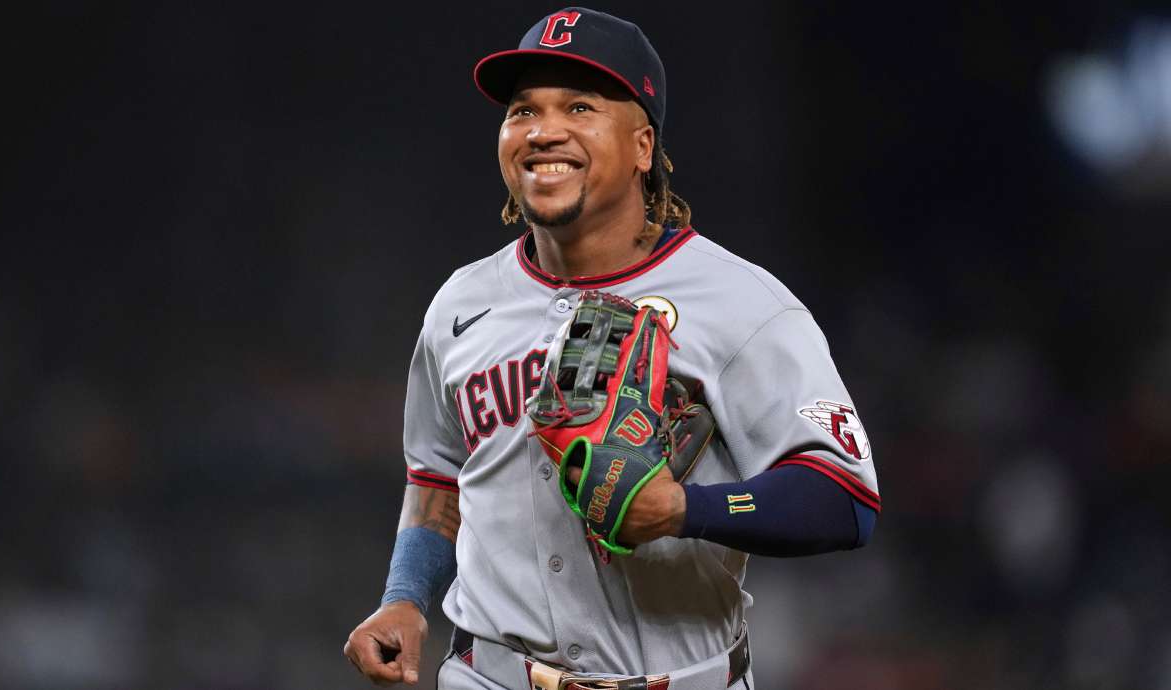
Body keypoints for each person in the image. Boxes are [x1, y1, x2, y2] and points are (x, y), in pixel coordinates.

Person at [344, 7, 880, 689]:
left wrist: (688, 511)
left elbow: (844, 497)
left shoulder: (743, 303)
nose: (543, 131)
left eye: (579, 106)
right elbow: (438, 474)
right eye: (522, 111)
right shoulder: (460, 304)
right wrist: (405, 598)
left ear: (643, 147)